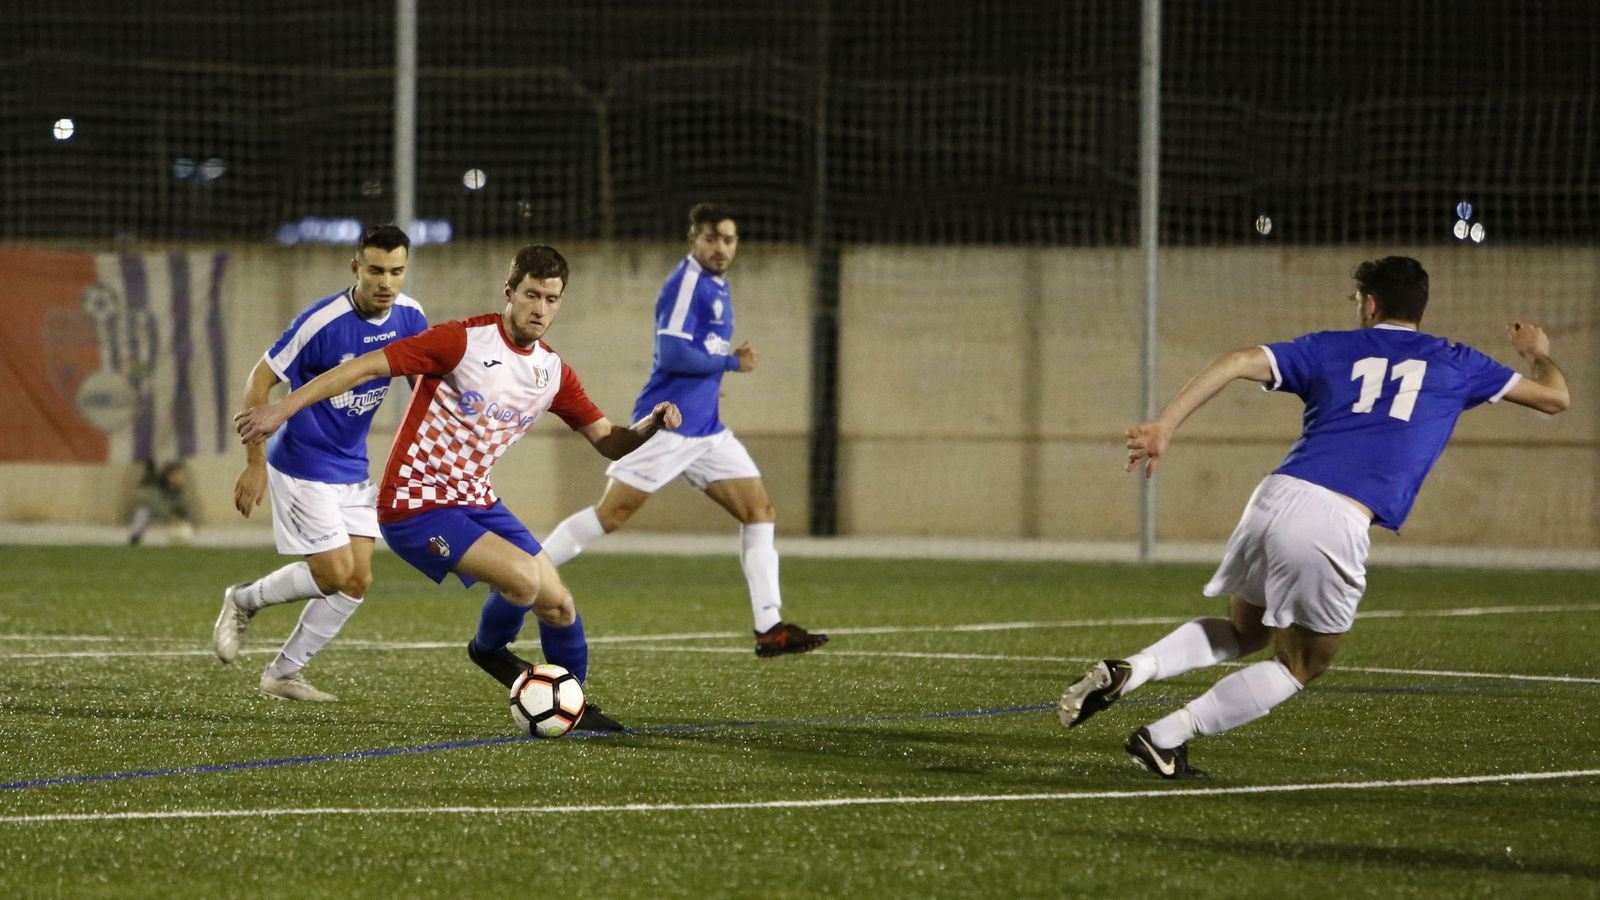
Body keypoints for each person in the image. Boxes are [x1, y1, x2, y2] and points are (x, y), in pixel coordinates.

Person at [1057, 256, 1570, 778]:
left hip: (1274, 497)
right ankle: (1164, 736)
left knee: (1245, 630)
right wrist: (1536, 355)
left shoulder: (1330, 347)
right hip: (1334, 519)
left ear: (1370, 304)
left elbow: (1234, 360)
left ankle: (1133, 669)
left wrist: (1163, 426)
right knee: (1302, 663)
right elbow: (1556, 399)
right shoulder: (1458, 361)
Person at [235, 244, 682, 732]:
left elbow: (609, 442)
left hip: (475, 499)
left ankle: (571, 704)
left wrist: (651, 425)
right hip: (415, 504)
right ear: (509, 292)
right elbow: (362, 367)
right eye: (532, 295)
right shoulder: (460, 341)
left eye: (552, 299)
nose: (541, 308)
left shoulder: (551, 373)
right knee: (524, 580)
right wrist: (283, 409)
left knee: (558, 603)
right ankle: (491, 653)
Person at [540, 203, 828, 658]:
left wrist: (713, 386)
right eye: (711, 238)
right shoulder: (686, 283)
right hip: (668, 425)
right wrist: (734, 363)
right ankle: (528, 571)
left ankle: (770, 627)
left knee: (760, 512)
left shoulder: (716, 283)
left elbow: (694, 355)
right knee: (610, 516)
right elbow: (672, 355)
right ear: (693, 240)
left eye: (729, 239)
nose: (720, 247)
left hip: (707, 430)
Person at [211, 224, 429, 702]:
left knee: (358, 580)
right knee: (332, 573)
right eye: (375, 269)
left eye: (396, 271)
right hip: (301, 460)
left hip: (352, 464)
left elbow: (422, 388)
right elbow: (259, 381)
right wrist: (255, 462)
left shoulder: (412, 317)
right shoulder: (322, 321)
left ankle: (282, 674)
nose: (386, 282)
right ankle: (244, 599)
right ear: (356, 268)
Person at [128, 460, 196, 545]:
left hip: (172, 524)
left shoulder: (181, 493)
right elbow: (156, 507)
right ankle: (135, 537)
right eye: (179, 475)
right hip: (156, 521)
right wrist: (169, 517)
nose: (181, 478)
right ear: (170, 476)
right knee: (142, 512)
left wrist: (179, 518)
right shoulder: (156, 490)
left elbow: (184, 510)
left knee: (184, 530)